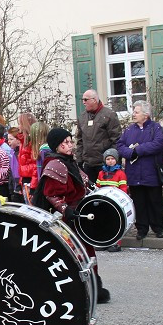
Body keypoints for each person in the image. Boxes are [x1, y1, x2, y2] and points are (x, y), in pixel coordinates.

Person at [34, 128, 110, 303]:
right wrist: (66, 210)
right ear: (57, 145)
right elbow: (51, 194)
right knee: (74, 253)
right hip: (68, 218)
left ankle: (92, 286)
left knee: (87, 251)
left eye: (70, 141)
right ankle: (78, 288)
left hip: (79, 215)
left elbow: (84, 182)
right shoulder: (55, 165)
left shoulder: (68, 161)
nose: (70, 145)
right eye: (65, 142)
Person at [117, 101, 163, 240]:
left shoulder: (155, 128)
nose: (134, 114)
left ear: (146, 115)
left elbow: (158, 144)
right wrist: (129, 153)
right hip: (134, 173)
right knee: (139, 203)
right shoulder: (129, 130)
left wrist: (137, 150)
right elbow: (120, 145)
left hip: (151, 173)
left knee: (155, 202)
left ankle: (158, 228)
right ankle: (142, 229)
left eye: (137, 112)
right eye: (134, 111)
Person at [75, 89, 123, 183]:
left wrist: (112, 160)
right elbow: (80, 140)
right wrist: (79, 159)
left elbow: (116, 139)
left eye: (86, 99)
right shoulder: (82, 117)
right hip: (88, 164)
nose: (83, 102)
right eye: (82, 100)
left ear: (94, 100)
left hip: (105, 164)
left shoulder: (109, 115)